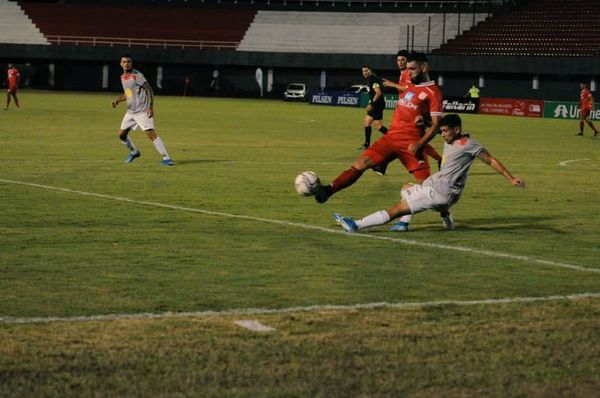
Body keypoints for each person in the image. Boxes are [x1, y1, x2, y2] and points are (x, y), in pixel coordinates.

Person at [312, 52, 452, 230]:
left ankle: (445, 214)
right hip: (391, 137)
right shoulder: (409, 85)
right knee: (361, 162)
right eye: (407, 69)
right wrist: (421, 117)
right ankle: (328, 190)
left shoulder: (433, 92)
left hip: (411, 143)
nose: (409, 72)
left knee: (427, 187)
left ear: (424, 67)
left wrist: (421, 142)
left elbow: (436, 124)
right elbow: (417, 111)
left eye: (413, 69)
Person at [333, 114, 525, 233]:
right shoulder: (450, 140)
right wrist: (422, 121)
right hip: (440, 188)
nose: (442, 134)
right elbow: (433, 125)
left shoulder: (469, 145)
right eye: (441, 131)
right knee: (406, 187)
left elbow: (490, 160)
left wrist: (512, 178)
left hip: (440, 193)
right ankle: (437, 221)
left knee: (398, 209)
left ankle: (357, 224)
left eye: (445, 131)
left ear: (456, 130)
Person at [381, 49, 443, 177]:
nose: (400, 62)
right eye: (398, 60)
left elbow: (409, 89)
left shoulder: (409, 75)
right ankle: (437, 159)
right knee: (414, 139)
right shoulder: (406, 72)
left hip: (412, 109)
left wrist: (392, 85)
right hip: (407, 107)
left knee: (412, 139)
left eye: (403, 60)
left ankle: (383, 162)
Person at [112, 54, 174, 165]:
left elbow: (149, 90)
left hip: (142, 111)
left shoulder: (137, 75)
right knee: (121, 135)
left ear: (132, 63)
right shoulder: (123, 77)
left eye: (129, 62)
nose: (127, 64)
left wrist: (150, 107)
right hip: (131, 112)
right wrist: (118, 100)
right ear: (121, 64)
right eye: (124, 62)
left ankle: (166, 158)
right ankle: (134, 152)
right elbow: (129, 93)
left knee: (151, 134)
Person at [358, 66, 388, 150]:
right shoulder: (372, 79)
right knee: (367, 122)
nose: (364, 72)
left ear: (370, 71)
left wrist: (371, 104)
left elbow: (378, 93)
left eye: (366, 71)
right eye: (363, 71)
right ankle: (366, 145)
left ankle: (394, 139)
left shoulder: (374, 80)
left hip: (377, 105)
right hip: (376, 104)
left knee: (378, 126)